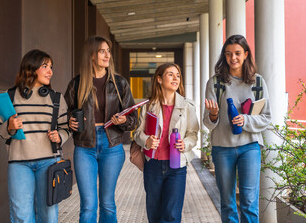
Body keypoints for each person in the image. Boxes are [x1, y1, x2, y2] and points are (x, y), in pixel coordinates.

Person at [64, 35, 137, 223]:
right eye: (102, 51)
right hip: (84, 146)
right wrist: (70, 123)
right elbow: (67, 115)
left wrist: (122, 120)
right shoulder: (77, 84)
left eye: (108, 51)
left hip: (111, 146)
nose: (107, 55)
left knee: (107, 203)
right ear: (91, 55)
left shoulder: (119, 83)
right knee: (88, 205)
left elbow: (133, 120)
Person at [0, 49, 70, 223]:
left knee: (48, 216)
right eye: (45, 66)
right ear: (31, 68)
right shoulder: (10, 96)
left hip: (49, 162)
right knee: (21, 216)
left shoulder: (56, 98)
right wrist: (9, 126)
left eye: (51, 67)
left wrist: (60, 137)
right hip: (19, 163)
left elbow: (66, 128)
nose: (51, 71)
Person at [203, 35, 272, 222]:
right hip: (222, 148)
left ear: (246, 54)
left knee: (249, 201)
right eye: (228, 54)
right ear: (224, 56)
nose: (233, 58)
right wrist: (214, 115)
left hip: (250, 147)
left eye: (237, 53)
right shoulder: (215, 83)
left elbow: (266, 118)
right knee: (227, 202)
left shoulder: (257, 82)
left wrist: (246, 120)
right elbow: (207, 123)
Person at [133, 63, 199, 223]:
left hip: (177, 167)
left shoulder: (187, 106)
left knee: (171, 216)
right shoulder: (149, 106)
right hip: (153, 165)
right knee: (154, 215)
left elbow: (193, 133)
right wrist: (146, 140)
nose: (176, 78)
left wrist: (186, 143)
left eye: (178, 75)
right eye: (170, 74)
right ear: (159, 79)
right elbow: (137, 133)